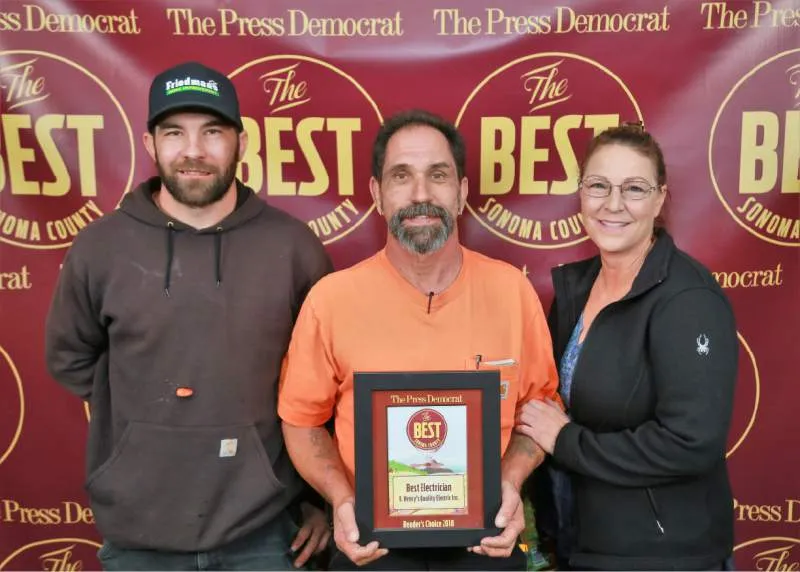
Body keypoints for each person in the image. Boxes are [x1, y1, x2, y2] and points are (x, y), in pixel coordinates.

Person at [45, 61, 333, 571]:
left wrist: (319, 497)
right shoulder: (101, 247)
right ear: (151, 144)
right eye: (174, 132)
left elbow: (325, 386)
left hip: (265, 533)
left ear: (241, 144)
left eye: (212, 132)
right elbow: (72, 358)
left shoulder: (293, 249)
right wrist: (147, 426)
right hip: (138, 534)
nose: (194, 151)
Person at [277, 109, 560, 571]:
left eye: (439, 175)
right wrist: (342, 498)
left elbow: (541, 412)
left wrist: (509, 482)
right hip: (371, 548)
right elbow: (302, 421)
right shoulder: (332, 299)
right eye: (401, 176)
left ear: (463, 191)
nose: (421, 194)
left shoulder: (512, 291)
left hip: (485, 543)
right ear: (377, 194)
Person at [518, 123, 737, 570]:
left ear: (659, 199)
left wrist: (566, 441)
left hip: (665, 557)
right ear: (580, 193)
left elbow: (691, 442)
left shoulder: (687, 299)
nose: (612, 204)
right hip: (585, 545)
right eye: (598, 185)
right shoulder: (576, 290)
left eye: (634, 188)